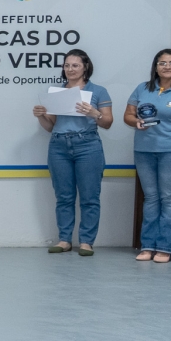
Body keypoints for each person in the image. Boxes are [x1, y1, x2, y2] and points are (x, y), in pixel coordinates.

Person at [31, 49, 113, 256]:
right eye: (67, 65)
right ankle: (64, 240)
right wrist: (40, 116)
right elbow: (51, 127)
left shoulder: (98, 91)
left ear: (86, 67)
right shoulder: (56, 92)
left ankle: (86, 242)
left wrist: (94, 113)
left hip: (88, 145)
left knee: (90, 197)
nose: (70, 69)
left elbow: (108, 123)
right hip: (58, 146)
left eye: (75, 65)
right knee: (63, 196)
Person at [124, 48, 171, 263]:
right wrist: (136, 121)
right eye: (162, 63)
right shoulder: (142, 88)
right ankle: (147, 246)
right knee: (151, 197)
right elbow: (128, 115)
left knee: (170, 197)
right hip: (144, 150)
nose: (167, 66)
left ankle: (165, 247)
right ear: (156, 67)